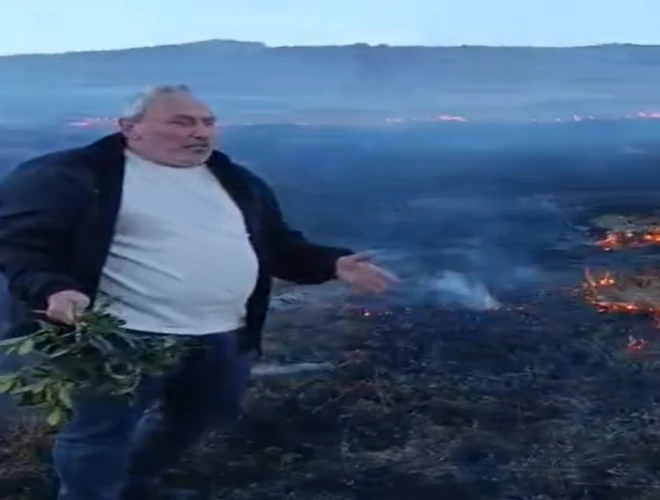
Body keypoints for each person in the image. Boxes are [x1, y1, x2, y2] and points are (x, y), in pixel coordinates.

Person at [0, 84, 400, 500]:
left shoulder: (236, 180)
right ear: (129, 128)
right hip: (120, 338)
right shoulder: (70, 175)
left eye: (208, 122)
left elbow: (278, 244)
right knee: (100, 432)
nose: (200, 132)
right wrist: (54, 290)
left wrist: (331, 263)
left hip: (224, 337)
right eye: (181, 122)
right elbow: (21, 244)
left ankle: (135, 486)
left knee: (195, 421)